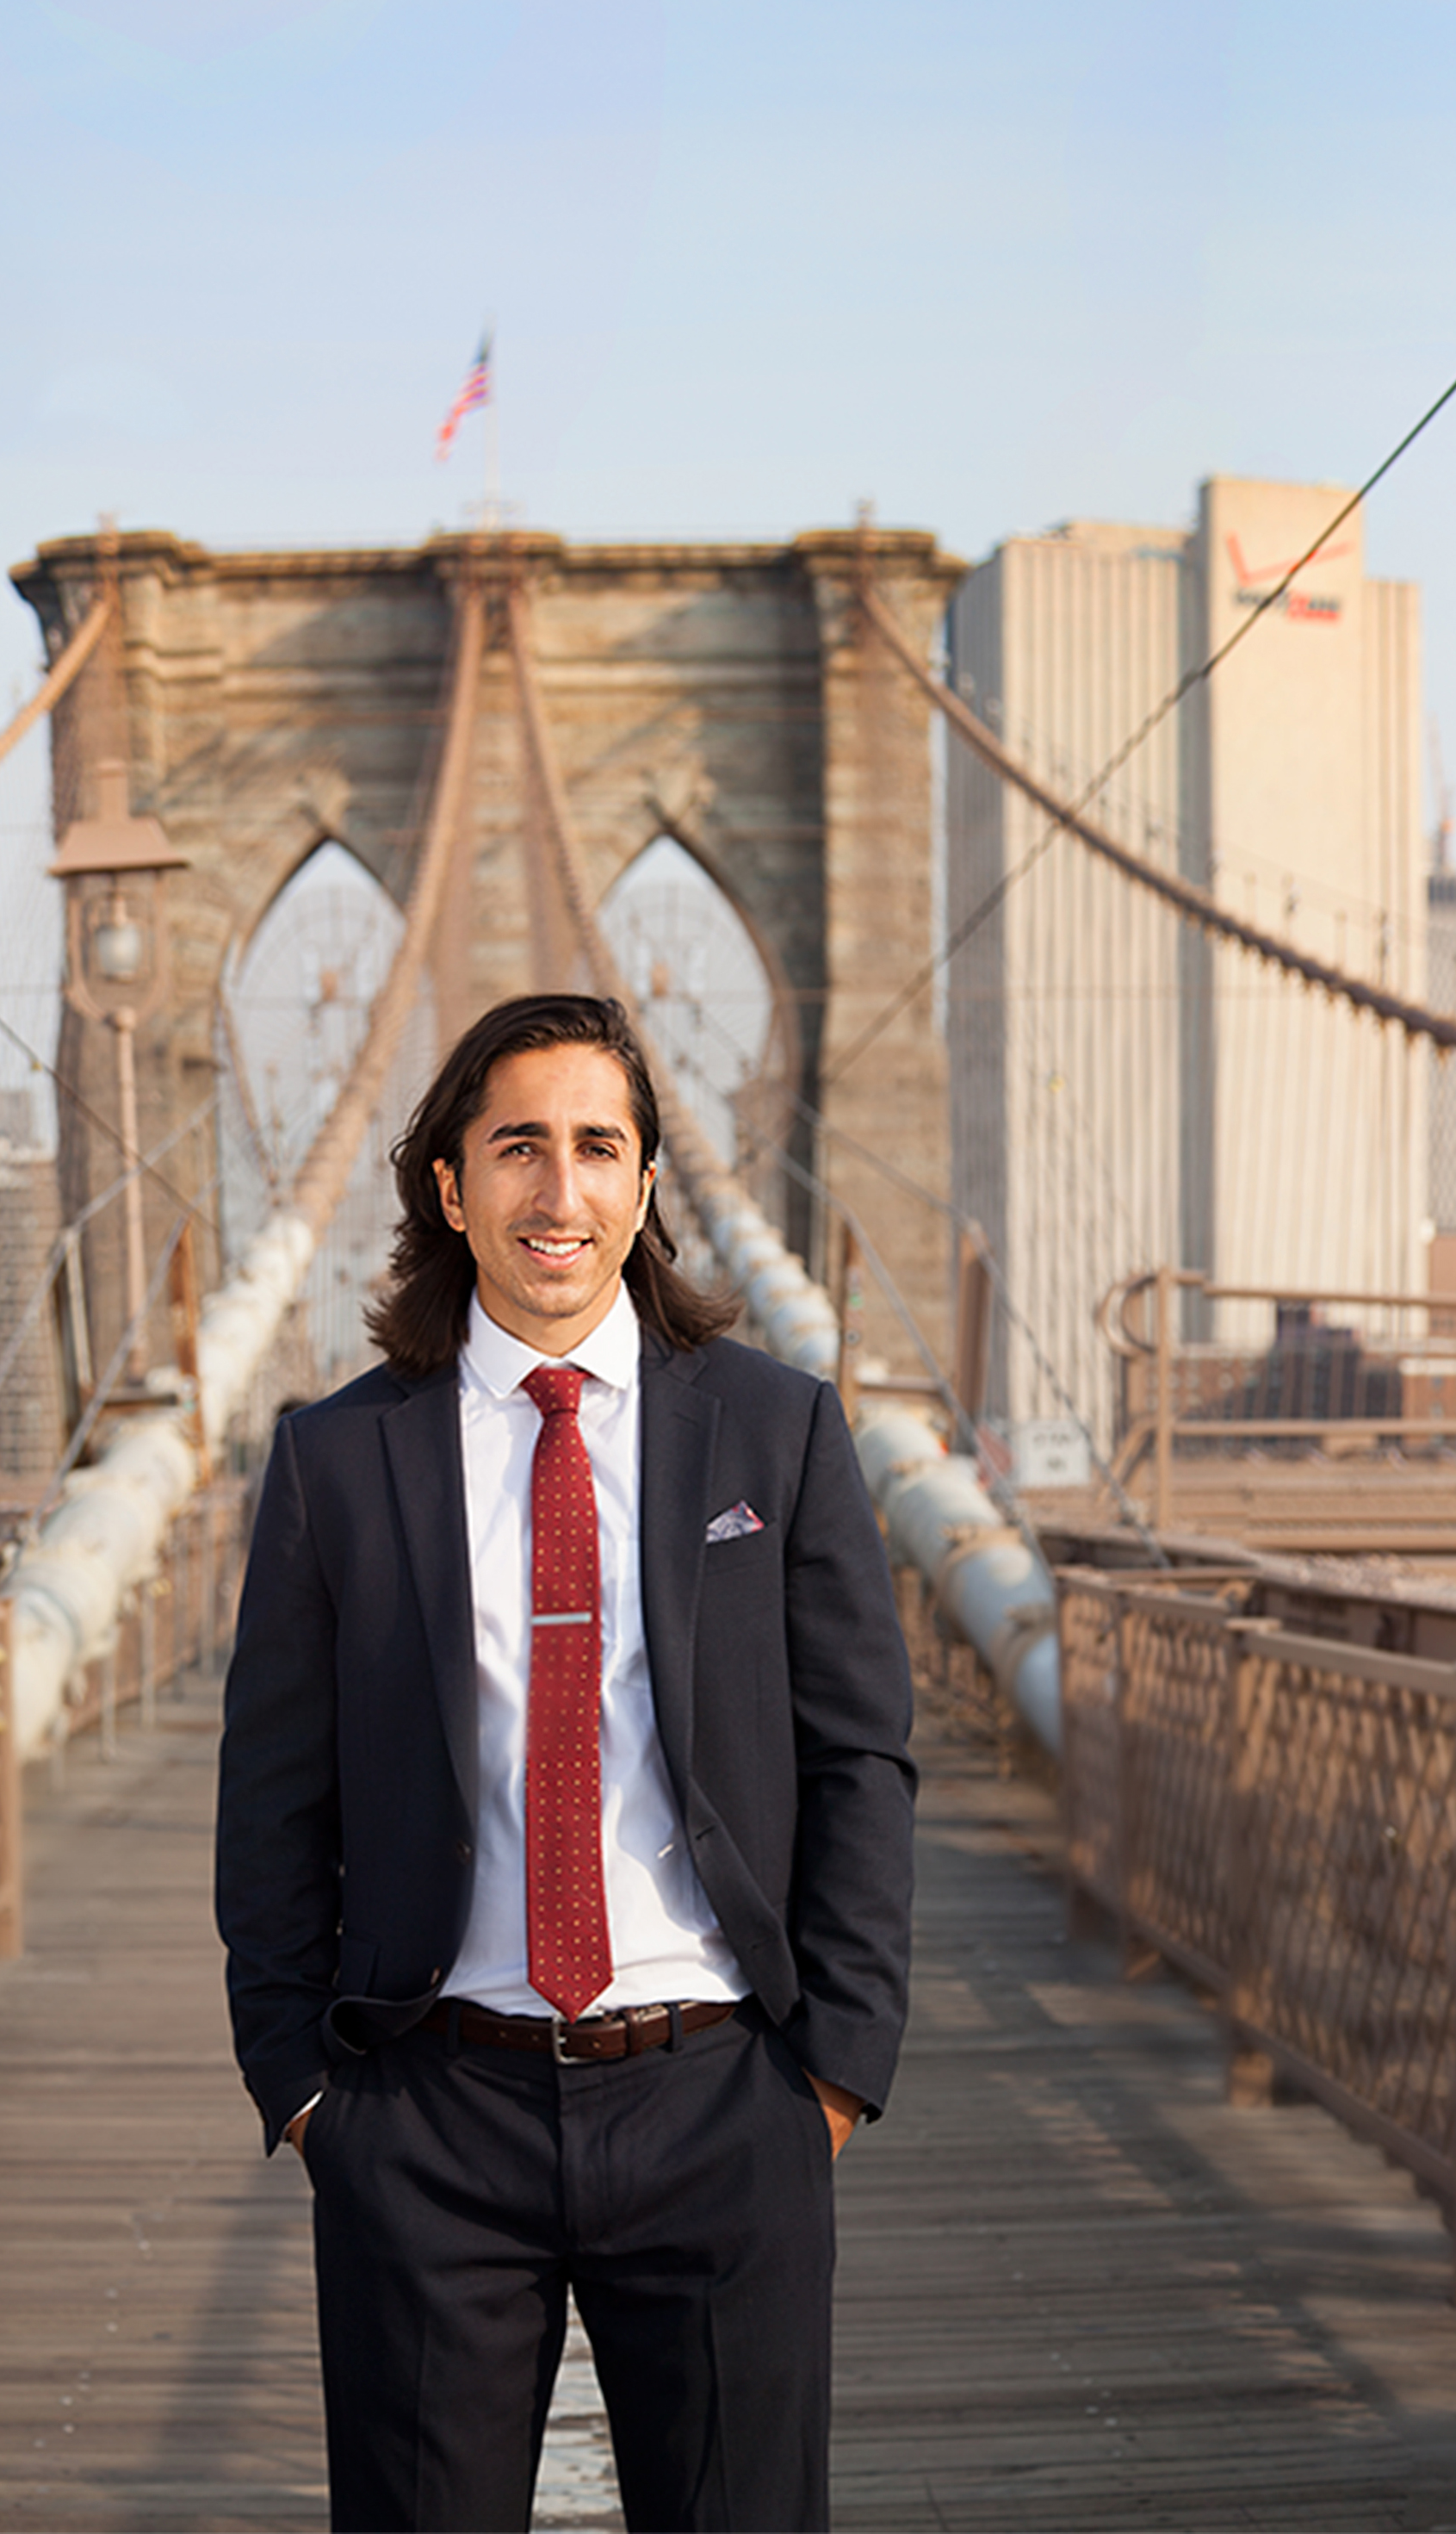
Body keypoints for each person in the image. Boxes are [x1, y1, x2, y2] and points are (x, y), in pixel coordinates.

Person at [214, 991, 918, 2531]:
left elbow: (860, 1754)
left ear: (649, 1186)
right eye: (518, 1145)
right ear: (452, 1188)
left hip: (723, 2101)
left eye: (600, 1147)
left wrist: (836, 2078)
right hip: (428, 2118)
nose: (562, 1189)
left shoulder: (777, 1433)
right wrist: (308, 2095)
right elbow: (272, 1796)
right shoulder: (335, 1461)